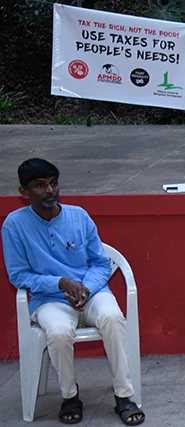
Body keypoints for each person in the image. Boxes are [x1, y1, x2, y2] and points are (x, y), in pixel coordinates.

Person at [2, 159, 144, 425]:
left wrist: (85, 288)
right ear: (24, 192)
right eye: (39, 185)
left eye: (53, 183)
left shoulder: (79, 216)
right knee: (58, 332)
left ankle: (124, 396)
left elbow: (101, 264)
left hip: (92, 294)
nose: (49, 191)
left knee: (113, 318)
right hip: (49, 300)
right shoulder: (14, 225)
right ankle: (70, 397)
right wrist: (60, 282)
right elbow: (18, 275)